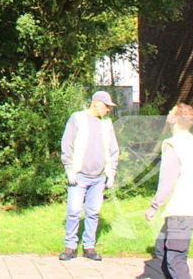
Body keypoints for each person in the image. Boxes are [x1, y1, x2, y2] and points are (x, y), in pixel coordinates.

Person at [143, 103, 193, 279]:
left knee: (175, 258)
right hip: (192, 208)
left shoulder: (173, 143)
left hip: (183, 210)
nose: (167, 115)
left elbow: (167, 180)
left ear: (174, 119)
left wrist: (154, 206)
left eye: (170, 112)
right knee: (162, 248)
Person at [59, 90, 120, 261]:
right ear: (97, 103)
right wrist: (69, 168)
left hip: (99, 177)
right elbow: (67, 143)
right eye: (106, 106)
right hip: (79, 176)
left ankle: (89, 247)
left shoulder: (107, 123)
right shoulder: (77, 118)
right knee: (74, 211)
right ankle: (70, 247)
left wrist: (111, 173)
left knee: (93, 212)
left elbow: (113, 150)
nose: (108, 110)